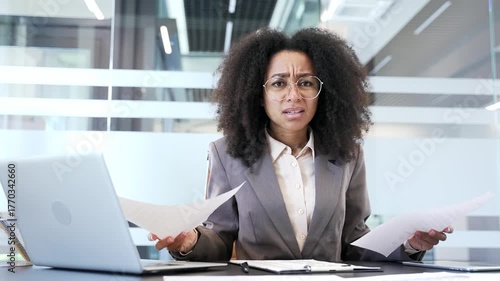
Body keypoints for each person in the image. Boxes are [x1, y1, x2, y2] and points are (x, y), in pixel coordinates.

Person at [151, 27, 452, 262]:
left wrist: (409, 245)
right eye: (279, 83)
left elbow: (355, 243)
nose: (293, 95)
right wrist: (189, 241)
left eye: (306, 82)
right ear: (259, 95)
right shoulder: (226, 155)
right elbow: (220, 238)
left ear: (323, 93)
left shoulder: (348, 155)